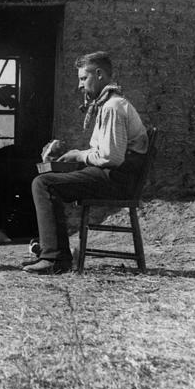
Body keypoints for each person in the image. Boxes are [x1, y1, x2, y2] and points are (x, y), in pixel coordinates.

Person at [23, 51, 149, 274]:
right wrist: (75, 155)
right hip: (114, 175)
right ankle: (54, 253)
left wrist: (80, 156)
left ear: (99, 74)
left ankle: (55, 258)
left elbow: (112, 158)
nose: (80, 85)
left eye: (83, 78)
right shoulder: (107, 104)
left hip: (118, 179)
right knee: (46, 179)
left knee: (43, 183)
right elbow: (106, 153)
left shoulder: (113, 107)